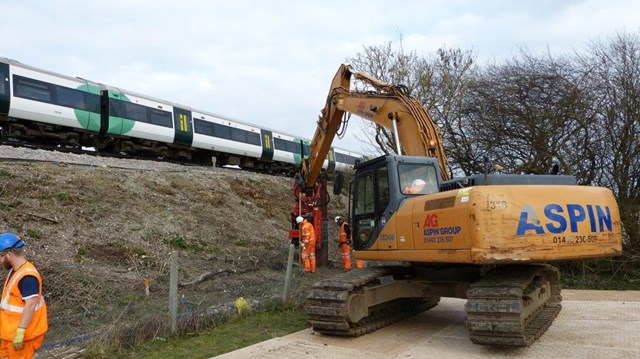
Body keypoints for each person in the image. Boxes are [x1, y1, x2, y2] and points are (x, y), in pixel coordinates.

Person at [0, 233, 48, 359]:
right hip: (10, 333)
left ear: (9, 254)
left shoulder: (27, 277)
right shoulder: (16, 270)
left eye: (0, 257)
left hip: (23, 337)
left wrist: (20, 332)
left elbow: (31, 304)